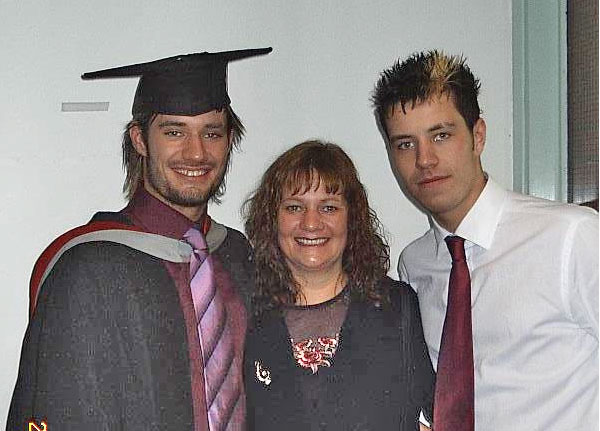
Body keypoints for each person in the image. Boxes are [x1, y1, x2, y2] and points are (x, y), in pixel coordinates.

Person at [8, 48, 272, 431]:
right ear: (140, 140)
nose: (196, 152)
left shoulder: (238, 257)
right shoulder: (87, 270)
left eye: (212, 133)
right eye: (174, 132)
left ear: (230, 140)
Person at [372, 50, 598, 430]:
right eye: (405, 144)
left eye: (441, 135)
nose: (425, 160)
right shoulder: (415, 264)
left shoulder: (571, 238)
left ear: (478, 136)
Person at [243, 140, 435, 430]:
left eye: (329, 207)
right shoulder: (246, 316)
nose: (311, 223)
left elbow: (440, 412)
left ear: (351, 218)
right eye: (294, 207)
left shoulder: (399, 308)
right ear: (272, 219)